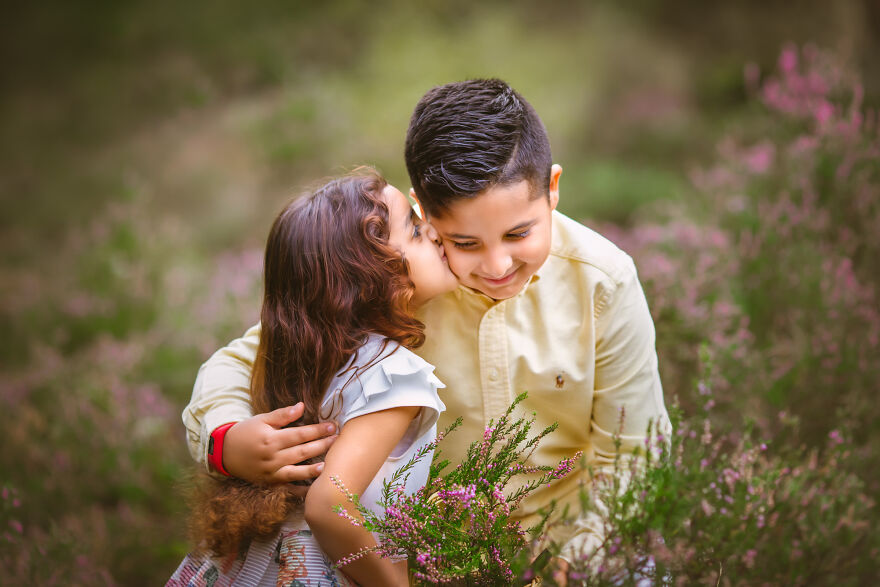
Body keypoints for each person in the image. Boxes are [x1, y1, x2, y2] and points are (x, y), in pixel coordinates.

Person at [183, 79, 671, 573]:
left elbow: (635, 455)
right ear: (423, 210)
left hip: (573, 546)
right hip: (427, 559)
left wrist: (570, 563)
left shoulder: (603, 281)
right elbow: (243, 358)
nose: (498, 264)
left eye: (518, 233)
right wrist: (223, 441)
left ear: (553, 189)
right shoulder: (397, 286)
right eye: (465, 242)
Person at [169, 170, 457, 586]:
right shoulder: (396, 374)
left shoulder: (316, 353)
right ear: (377, 282)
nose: (431, 232)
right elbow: (329, 506)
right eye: (413, 229)